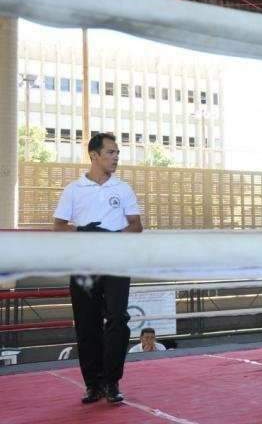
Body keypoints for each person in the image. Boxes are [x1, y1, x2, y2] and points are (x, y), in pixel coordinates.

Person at [53, 132, 143, 404]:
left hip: (115, 259)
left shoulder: (123, 189)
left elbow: (136, 225)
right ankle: (93, 385)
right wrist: (82, 232)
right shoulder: (73, 190)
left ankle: (112, 381)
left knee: (117, 318)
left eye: (117, 153)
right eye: (111, 152)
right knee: (87, 324)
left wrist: (113, 237)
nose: (116, 157)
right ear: (94, 155)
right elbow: (58, 227)